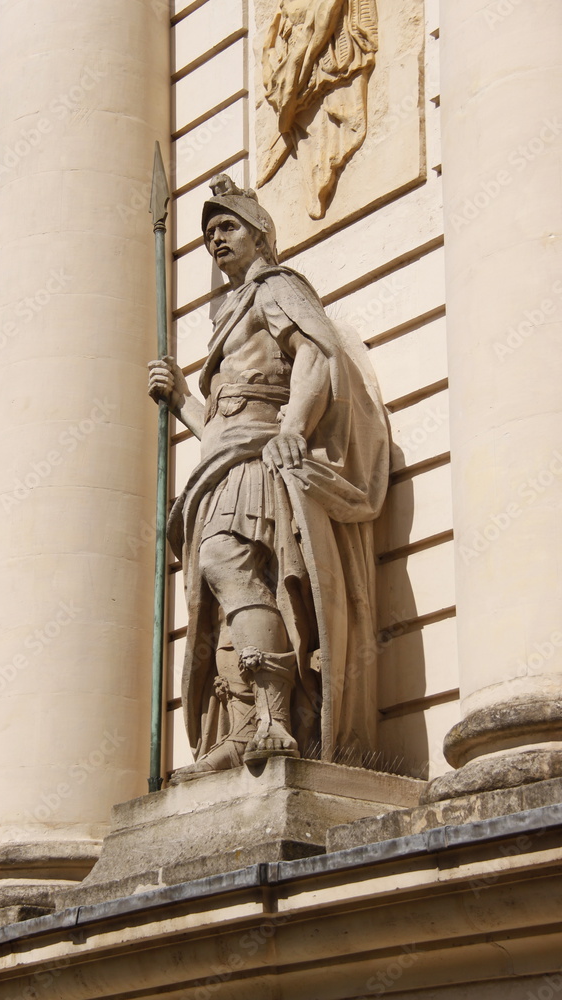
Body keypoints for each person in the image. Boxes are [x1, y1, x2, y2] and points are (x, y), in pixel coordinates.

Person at [149, 175, 388, 782]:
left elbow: (315, 351)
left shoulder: (274, 288)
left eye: (227, 226)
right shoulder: (228, 317)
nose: (214, 239)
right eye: (206, 233)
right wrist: (180, 400)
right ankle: (245, 724)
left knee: (232, 561)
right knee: (219, 588)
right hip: (223, 455)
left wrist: (295, 427)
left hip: (259, 455)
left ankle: (275, 717)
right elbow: (218, 425)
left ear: (260, 235)